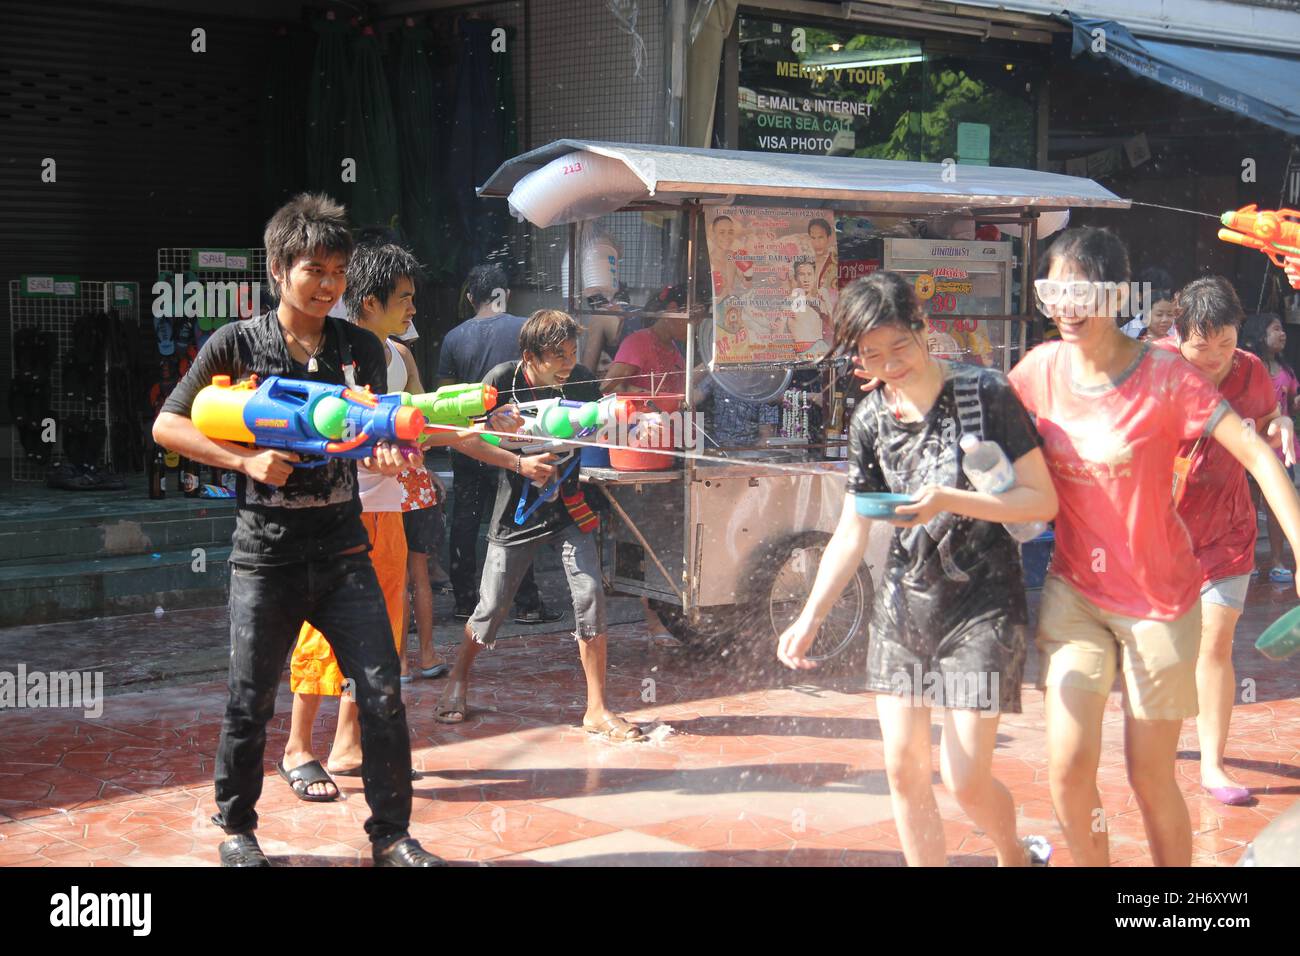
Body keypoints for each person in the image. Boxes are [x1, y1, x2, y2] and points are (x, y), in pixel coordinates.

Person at [152, 194, 441, 867]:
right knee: (250, 698)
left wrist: (384, 450)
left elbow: (370, 436)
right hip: (266, 553)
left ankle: (392, 835)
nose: (330, 285)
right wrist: (244, 459)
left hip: (344, 548)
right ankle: (236, 827)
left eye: (338, 272)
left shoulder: (361, 348)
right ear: (279, 269)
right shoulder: (235, 344)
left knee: (381, 688)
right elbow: (169, 424)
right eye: (315, 270)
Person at [1007, 227, 1300, 866]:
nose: (1064, 305)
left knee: (1149, 777)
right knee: (1067, 769)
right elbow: (977, 420)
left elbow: (1256, 455)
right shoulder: (1038, 370)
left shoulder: (1167, 376)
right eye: (1052, 290)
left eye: (1080, 291)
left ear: (1117, 294)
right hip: (1076, 595)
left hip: (1161, 601)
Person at [777, 272, 1058, 866]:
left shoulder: (985, 393)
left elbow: (1040, 502)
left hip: (985, 608)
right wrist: (810, 616)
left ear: (924, 330)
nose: (888, 363)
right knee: (903, 771)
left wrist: (947, 499)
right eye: (871, 354)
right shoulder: (869, 420)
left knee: (963, 779)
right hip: (904, 608)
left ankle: (1014, 854)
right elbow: (853, 529)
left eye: (898, 346)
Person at [435, 310, 646, 741]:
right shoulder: (500, 381)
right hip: (517, 509)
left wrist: (629, 421)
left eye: (571, 352)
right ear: (530, 356)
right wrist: (518, 461)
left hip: (571, 508)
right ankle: (459, 679)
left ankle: (597, 708)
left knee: (590, 596)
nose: (568, 362)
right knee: (491, 607)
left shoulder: (582, 378)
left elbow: (599, 425)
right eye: (557, 355)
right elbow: (467, 438)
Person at [1153, 278, 1295, 807]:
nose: (1214, 358)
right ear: (1177, 335)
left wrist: (1279, 421)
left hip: (1227, 530)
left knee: (1214, 643)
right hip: (1158, 534)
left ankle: (1213, 763)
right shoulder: (1152, 369)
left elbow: (1261, 425)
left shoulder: (1252, 370)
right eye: (1201, 345)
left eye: (1225, 343)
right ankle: (1155, 739)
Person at [438, 263, 560, 626]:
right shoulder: (524, 329)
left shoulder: (453, 337)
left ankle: (464, 600)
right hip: (515, 442)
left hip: (471, 439)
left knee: (465, 519)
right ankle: (527, 604)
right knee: (516, 519)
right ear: (504, 294)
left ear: (472, 297)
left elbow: (444, 396)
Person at [1241, 312, 1300, 582]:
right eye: (1276, 329)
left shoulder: (1286, 370)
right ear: (1259, 336)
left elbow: (1292, 403)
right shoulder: (1250, 369)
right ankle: (1248, 561)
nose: (1283, 333)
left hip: (1281, 450)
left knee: (1278, 508)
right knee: (1248, 509)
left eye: (1282, 329)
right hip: (1252, 450)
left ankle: (1277, 560)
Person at [1119, 267, 1176, 339]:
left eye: (1166, 296)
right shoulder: (1125, 334)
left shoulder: (1181, 330)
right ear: (1139, 296)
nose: (1161, 301)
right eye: (1153, 296)